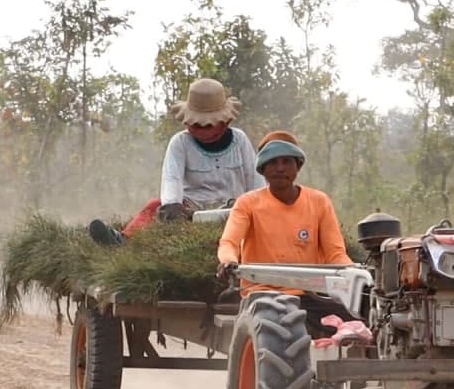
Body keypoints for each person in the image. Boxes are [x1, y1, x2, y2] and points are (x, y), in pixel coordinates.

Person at [88, 78, 264, 245]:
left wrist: (259, 206)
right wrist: (173, 206)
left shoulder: (239, 140)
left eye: (208, 126)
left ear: (225, 122)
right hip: (190, 210)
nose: (201, 130)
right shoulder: (180, 143)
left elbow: (255, 179)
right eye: (196, 125)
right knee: (154, 205)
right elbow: (172, 179)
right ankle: (123, 241)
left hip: (233, 208)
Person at [216, 131, 354, 322]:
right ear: (262, 169)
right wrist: (228, 261)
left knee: (358, 319)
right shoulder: (247, 204)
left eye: (287, 162)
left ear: (298, 166)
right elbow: (229, 242)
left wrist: (352, 272)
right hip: (262, 295)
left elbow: (335, 254)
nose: (280, 168)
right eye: (272, 162)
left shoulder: (319, 202)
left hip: (310, 295)